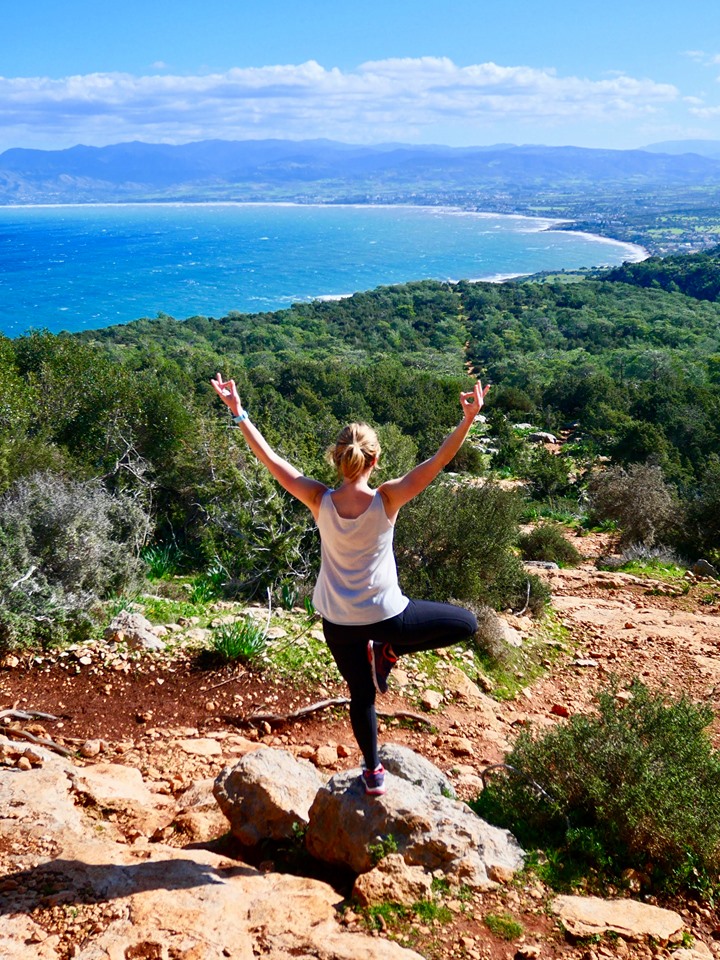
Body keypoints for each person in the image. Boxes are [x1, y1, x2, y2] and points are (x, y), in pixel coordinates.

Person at [210, 372, 490, 795]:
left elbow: (270, 460)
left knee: (362, 695)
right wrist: (467, 420)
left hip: (338, 622)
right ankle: (390, 649)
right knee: (466, 623)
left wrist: (239, 413)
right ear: (373, 460)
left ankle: (373, 771)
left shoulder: (317, 498)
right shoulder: (388, 498)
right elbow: (438, 462)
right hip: (386, 616)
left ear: (336, 460)